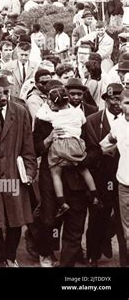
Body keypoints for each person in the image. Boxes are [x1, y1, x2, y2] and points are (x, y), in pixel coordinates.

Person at [0, 76, 37, 267]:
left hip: (15, 172)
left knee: (16, 218)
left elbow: (28, 145)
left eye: (6, 91)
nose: (3, 95)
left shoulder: (20, 111)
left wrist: (30, 171)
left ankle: (10, 255)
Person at [36, 86, 101, 218]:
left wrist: (45, 106)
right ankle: (95, 195)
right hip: (76, 145)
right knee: (84, 170)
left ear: (52, 103)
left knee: (55, 172)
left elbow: (40, 115)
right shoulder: (78, 113)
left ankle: (62, 202)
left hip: (59, 147)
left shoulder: (53, 115)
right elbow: (83, 121)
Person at [83, 83, 128, 267]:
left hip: (122, 177)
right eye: (114, 98)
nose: (117, 103)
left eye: (120, 98)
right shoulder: (94, 119)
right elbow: (95, 147)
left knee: (121, 221)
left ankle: (124, 260)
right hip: (101, 176)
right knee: (98, 216)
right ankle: (93, 255)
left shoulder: (123, 121)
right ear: (106, 99)